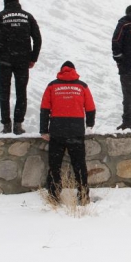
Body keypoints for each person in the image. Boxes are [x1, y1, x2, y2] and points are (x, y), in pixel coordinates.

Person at [40, 61, 96, 205]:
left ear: (61, 71)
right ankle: (83, 197)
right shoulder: (82, 86)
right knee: (79, 166)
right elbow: (90, 107)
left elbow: (45, 108)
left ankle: (53, 196)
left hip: (57, 130)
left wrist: (43, 130)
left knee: (54, 166)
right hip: (76, 130)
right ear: (74, 71)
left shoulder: (52, 85)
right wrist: (89, 125)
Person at [0, 0, 42, 135]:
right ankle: (18, 125)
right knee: (21, 92)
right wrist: (33, 58)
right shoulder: (28, 17)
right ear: (18, 2)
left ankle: (6, 124)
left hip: (5, 60)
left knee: (4, 93)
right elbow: (37, 38)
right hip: (23, 60)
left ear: (5, 3)